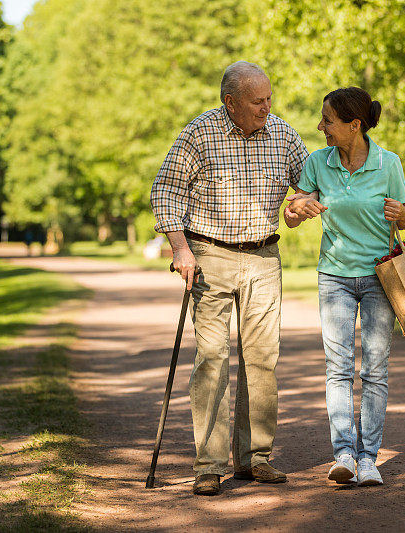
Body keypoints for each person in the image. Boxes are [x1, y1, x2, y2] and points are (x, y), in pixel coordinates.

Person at [150, 61, 308, 496]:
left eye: (269, 98)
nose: (267, 107)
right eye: (258, 101)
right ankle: (209, 464)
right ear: (230, 102)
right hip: (210, 255)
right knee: (213, 358)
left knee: (261, 360)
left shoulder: (283, 134)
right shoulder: (199, 133)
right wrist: (180, 248)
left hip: (264, 257)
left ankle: (255, 458)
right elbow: (165, 190)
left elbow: (311, 184)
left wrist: (299, 206)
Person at [284, 87, 405, 486]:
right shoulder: (318, 163)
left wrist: (404, 214)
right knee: (338, 369)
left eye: (328, 121)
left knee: (374, 369)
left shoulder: (387, 163)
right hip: (335, 277)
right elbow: (292, 213)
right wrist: (296, 210)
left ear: (354, 125)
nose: (321, 127)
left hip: (379, 277)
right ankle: (343, 454)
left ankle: (369, 458)